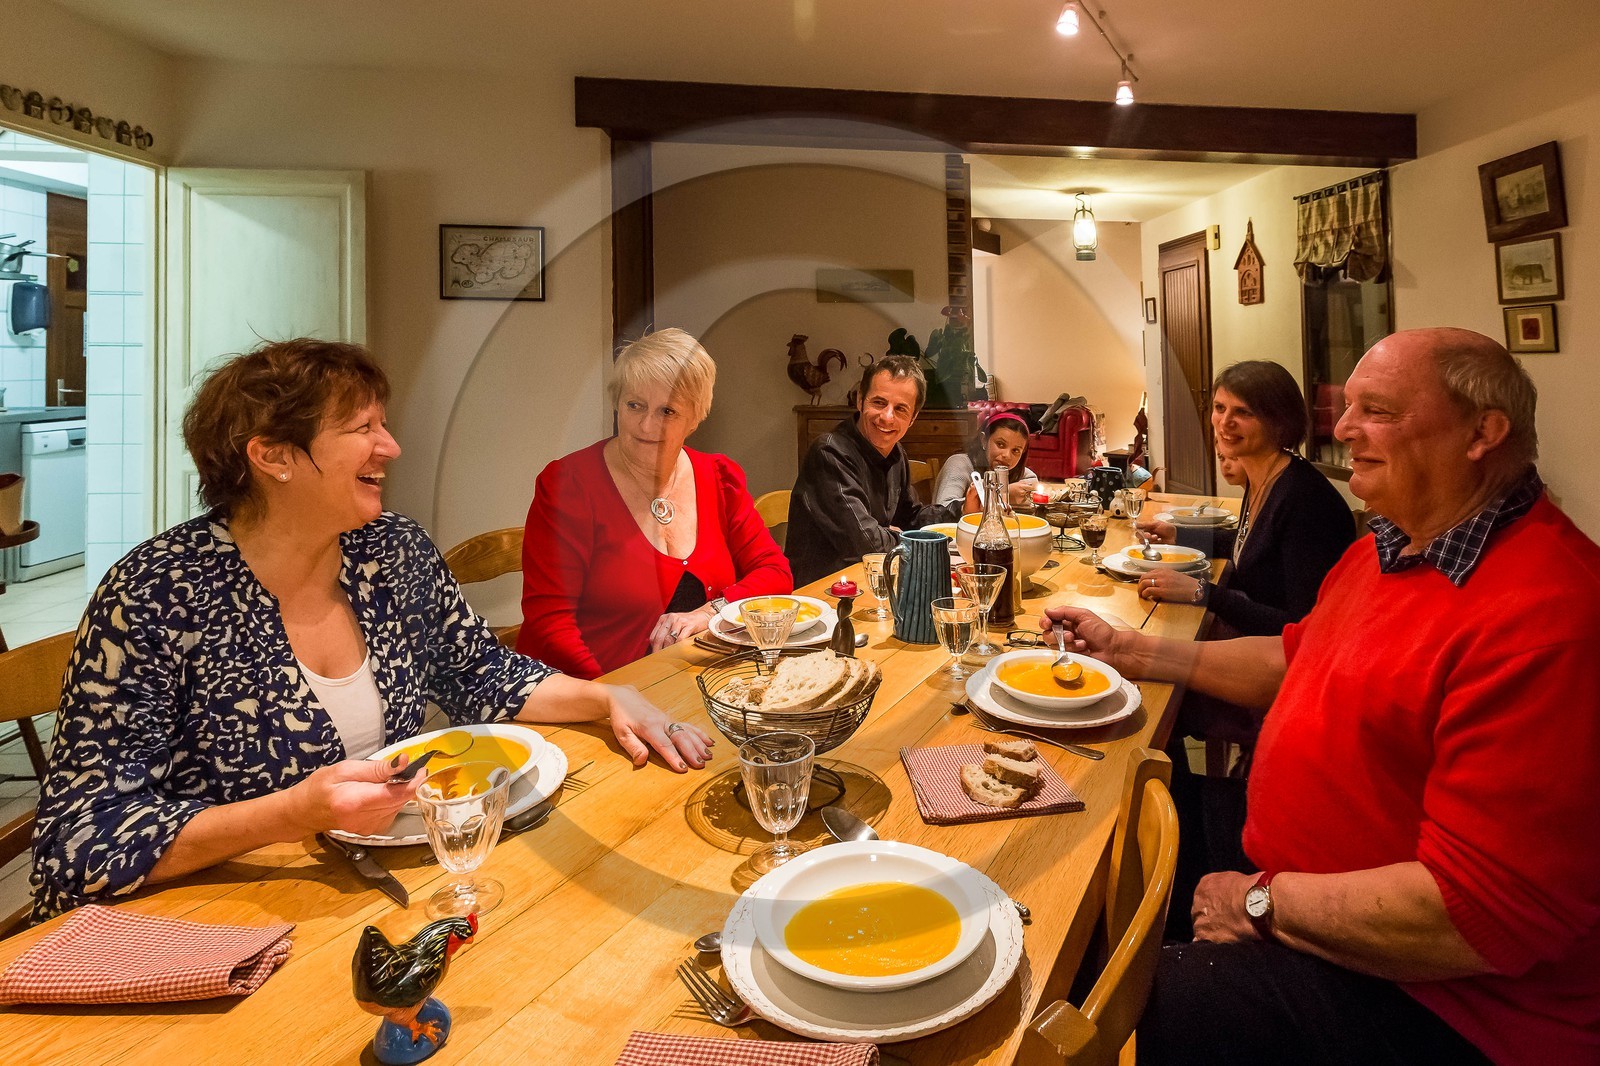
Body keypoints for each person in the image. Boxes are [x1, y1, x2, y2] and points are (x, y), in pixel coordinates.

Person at [1046, 328, 1600, 1065]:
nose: (1341, 429)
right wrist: (1134, 649)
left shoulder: (1548, 614)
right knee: (1088, 888)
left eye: (1378, 411)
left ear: (1482, 434)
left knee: (1101, 1006)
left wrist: (1261, 903)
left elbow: (1475, 916)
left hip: (1447, 1005)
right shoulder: (1393, 547)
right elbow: (1294, 658)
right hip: (1304, 893)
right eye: (1348, 408)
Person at [31, 339, 713, 922]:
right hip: (223, 917)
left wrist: (604, 698)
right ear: (274, 457)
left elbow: (480, 673)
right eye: (362, 428)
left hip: (387, 892)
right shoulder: (154, 595)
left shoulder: (390, 549)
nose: (390, 445)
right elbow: (78, 843)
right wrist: (293, 811)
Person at [1136, 362, 1355, 914]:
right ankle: (1177, 828)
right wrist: (1181, 531)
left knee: (1151, 697)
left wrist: (1205, 593)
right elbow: (1247, 541)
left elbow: (1298, 628)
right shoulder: (1267, 478)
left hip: (1285, 684)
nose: (1224, 423)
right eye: (1219, 408)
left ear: (1279, 422)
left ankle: (1188, 853)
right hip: (1253, 653)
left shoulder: (1304, 498)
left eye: (1243, 412)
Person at [518, 329, 791, 678]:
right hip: (589, 690)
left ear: (695, 418)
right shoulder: (569, 486)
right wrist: (611, 698)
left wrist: (712, 611)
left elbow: (775, 572)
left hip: (696, 680)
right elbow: (549, 623)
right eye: (635, 405)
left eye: (668, 411)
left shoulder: (718, 477)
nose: (647, 425)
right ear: (617, 403)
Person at [785, 355, 950, 586]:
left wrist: (961, 512)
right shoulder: (830, 453)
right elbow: (865, 545)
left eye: (901, 409)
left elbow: (910, 517)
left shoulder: (896, 453)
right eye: (879, 403)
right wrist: (901, 536)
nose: (887, 417)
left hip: (875, 584)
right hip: (823, 596)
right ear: (860, 400)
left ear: (913, 418)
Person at [931, 410, 1039, 515]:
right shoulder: (959, 463)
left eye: (1015, 451)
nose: (1007, 455)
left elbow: (1032, 482)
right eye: (1000, 444)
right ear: (984, 440)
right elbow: (942, 509)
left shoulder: (1017, 471)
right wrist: (1002, 494)